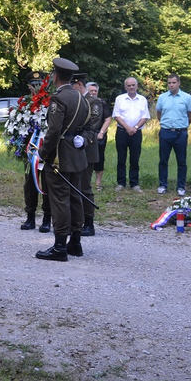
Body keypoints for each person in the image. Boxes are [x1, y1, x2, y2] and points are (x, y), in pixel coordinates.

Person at [36, 58, 90, 261]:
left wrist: (43, 153)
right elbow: (86, 125)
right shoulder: (81, 97)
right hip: (77, 156)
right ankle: (75, 242)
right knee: (75, 198)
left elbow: (54, 131)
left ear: (55, 76)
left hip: (60, 157)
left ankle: (60, 247)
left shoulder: (59, 98)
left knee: (59, 200)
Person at [155, 73, 191, 196]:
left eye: (173, 82)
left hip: (180, 133)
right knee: (163, 160)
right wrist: (166, 124)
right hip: (166, 132)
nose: (171, 85)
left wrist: (182, 125)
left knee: (181, 161)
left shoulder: (186, 97)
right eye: (169, 83)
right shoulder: (162, 97)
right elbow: (159, 113)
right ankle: (162, 185)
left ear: (179, 83)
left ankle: (181, 186)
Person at [21, 72, 50, 232]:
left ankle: (47, 219)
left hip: (46, 153)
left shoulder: (49, 102)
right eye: (33, 84)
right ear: (29, 86)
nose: (36, 87)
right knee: (30, 185)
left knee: (47, 185)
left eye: (39, 84)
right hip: (30, 152)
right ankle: (30, 217)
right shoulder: (24, 104)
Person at [112, 77, 149, 191]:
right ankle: (121, 183)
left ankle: (134, 183)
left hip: (136, 133)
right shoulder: (120, 99)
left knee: (135, 158)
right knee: (121, 158)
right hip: (122, 132)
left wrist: (135, 127)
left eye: (133, 85)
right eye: (129, 85)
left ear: (137, 86)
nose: (131, 87)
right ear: (125, 87)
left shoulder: (142, 99)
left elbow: (145, 116)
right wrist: (128, 128)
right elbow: (116, 116)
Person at [78, 75, 103, 236]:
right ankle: (77, 220)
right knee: (76, 186)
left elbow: (93, 125)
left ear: (79, 85)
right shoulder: (77, 100)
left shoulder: (94, 102)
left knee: (85, 187)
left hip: (87, 148)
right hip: (74, 150)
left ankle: (89, 222)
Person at [88, 82, 113, 191]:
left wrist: (102, 132)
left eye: (95, 91)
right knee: (85, 159)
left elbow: (108, 119)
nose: (93, 93)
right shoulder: (82, 102)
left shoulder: (102, 103)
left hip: (99, 134)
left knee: (99, 159)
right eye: (91, 91)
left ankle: (98, 183)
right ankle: (86, 182)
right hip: (85, 135)